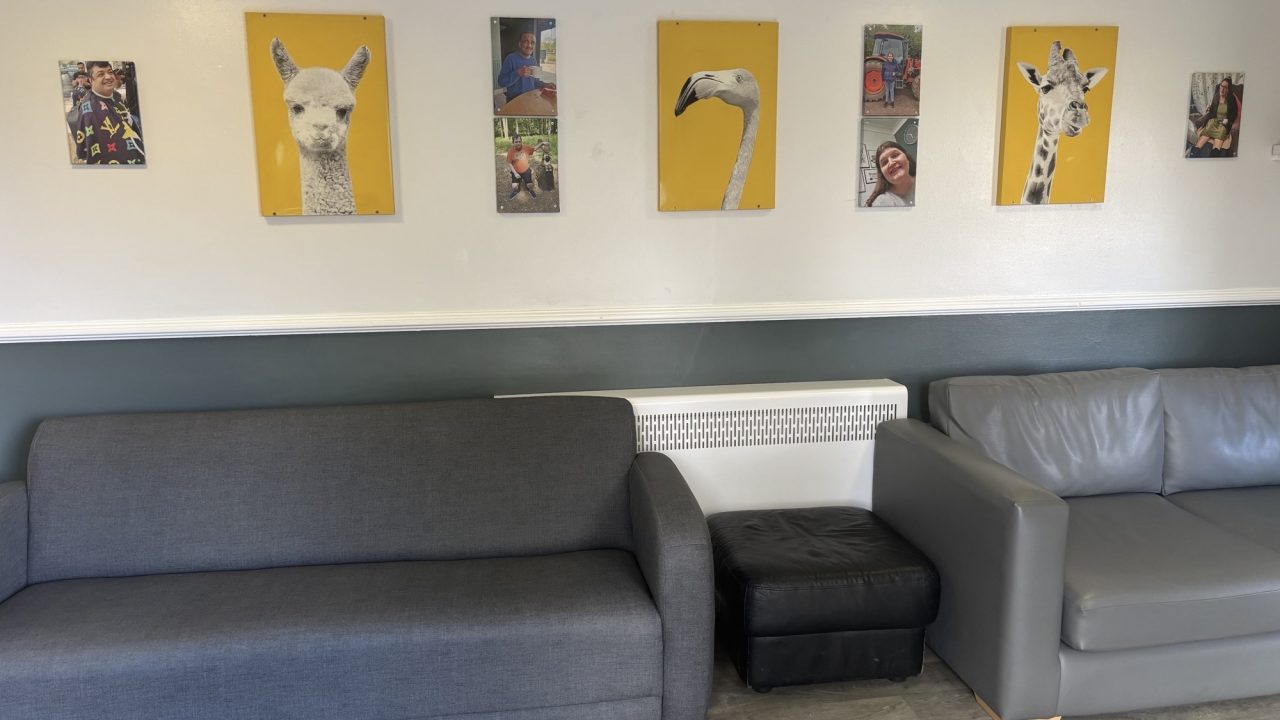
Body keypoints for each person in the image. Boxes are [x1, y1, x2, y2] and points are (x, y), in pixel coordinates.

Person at [69, 60, 145, 165]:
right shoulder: (90, 110)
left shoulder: (117, 96)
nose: (108, 77)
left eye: (110, 72)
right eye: (101, 74)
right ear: (91, 80)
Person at [496, 30, 554, 103]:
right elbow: (501, 82)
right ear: (520, 44)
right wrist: (517, 73)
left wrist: (545, 84)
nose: (529, 45)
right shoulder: (510, 58)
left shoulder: (533, 60)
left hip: (531, 98)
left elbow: (535, 82)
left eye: (532, 43)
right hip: (514, 101)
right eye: (526, 42)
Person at [1188, 77, 1239, 158]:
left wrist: (1228, 120)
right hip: (1214, 121)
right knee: (1207, 130)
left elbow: (1234, 113)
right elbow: (1212, 111)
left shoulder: (1231, 99)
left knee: (1221, 132)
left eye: (1225, 87)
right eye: (1221, 86)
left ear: (1228, 89)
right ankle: (1194, 151)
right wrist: (1209, 109)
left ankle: (1215, 153)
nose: (1222, 89)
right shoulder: (1216, 96)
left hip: (1223, 123)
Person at [864, 141, 916, 207]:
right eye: (885, 162)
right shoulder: (882, 202)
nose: (891, 163)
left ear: (907, 158)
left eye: (895, 155)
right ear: (882, 174)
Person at [505, 134, 538, 199]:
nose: (518, 143)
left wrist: (542, 143)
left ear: (521, 141)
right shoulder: (510, 151)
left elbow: (534, 149)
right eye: (516, 142)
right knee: (514, 186)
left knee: (530, 185)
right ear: (513, 142)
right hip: (516, 171)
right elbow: (510, 163)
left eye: (519, 141)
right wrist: (515, 173)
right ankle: (516, 191)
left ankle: (530, 190)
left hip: (526, 170)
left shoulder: (526, 148)